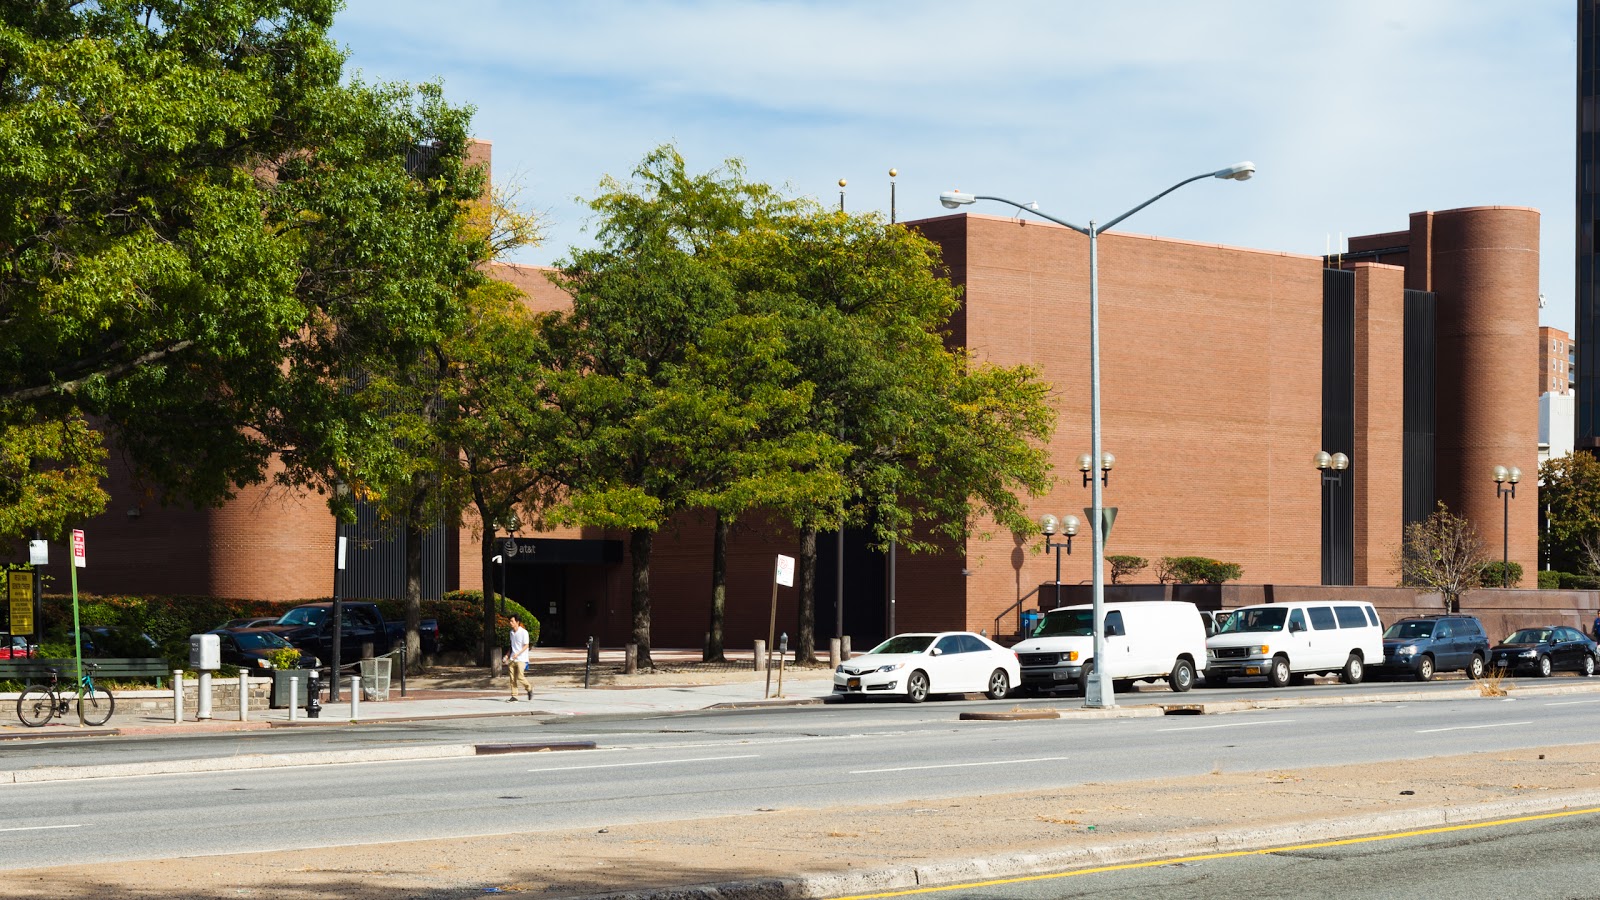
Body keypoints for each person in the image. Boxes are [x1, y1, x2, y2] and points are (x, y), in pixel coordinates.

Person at [506, 615, 531, 702]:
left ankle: (529, 688)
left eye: (512, 621)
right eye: (510, 621)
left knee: (520, 676)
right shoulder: (511, 633)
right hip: (513, 659)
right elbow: (512, 646)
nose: (510, 623)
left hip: (522, 658)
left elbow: (526, 645)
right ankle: (514, 696)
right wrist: (507, 655)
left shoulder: (524, 632)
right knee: (512, 678)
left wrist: (518, 653)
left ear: (517, 622)